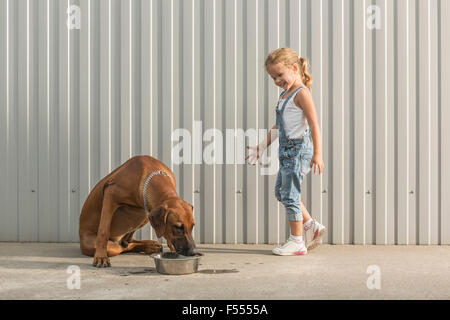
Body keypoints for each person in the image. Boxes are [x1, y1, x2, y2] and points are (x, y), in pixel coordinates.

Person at [246, 47, 326, 256]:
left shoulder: (302, 93)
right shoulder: (285, 94)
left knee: (290, 194)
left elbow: (314, 124)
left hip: (299, 150)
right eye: (273, 77)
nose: (276, 80)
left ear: (294, 68)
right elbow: (279, 126)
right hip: (287, 150)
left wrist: (318, 153)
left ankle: (297, 241)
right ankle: (311, 225)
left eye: (279, 75)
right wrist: (262, 146)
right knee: (281, 192)